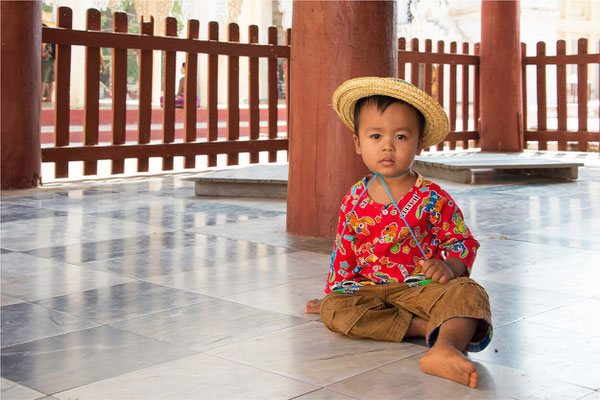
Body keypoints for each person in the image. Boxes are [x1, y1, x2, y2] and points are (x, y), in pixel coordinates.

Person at [304, 77, 492, 389]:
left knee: (469, 293)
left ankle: (444, 348)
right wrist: (333, 293)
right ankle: (424, 328)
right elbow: (344, 250)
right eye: (375, 135)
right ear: (357, 143)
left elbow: (463, 242)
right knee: (335, 311)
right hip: (369, 290)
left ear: (419, 143)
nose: (387, 145)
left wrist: (449, 267)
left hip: (422, 289)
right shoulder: (354, 198)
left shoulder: (433, 197)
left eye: (401, 136)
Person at [41, 25, 55, 102]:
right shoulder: (51, 39)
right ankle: (49, 97)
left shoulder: (44, 40)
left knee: (43, 79)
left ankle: (41, 96)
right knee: (50, 80)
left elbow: (43, 53)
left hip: (45, 61)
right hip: (51, 60)